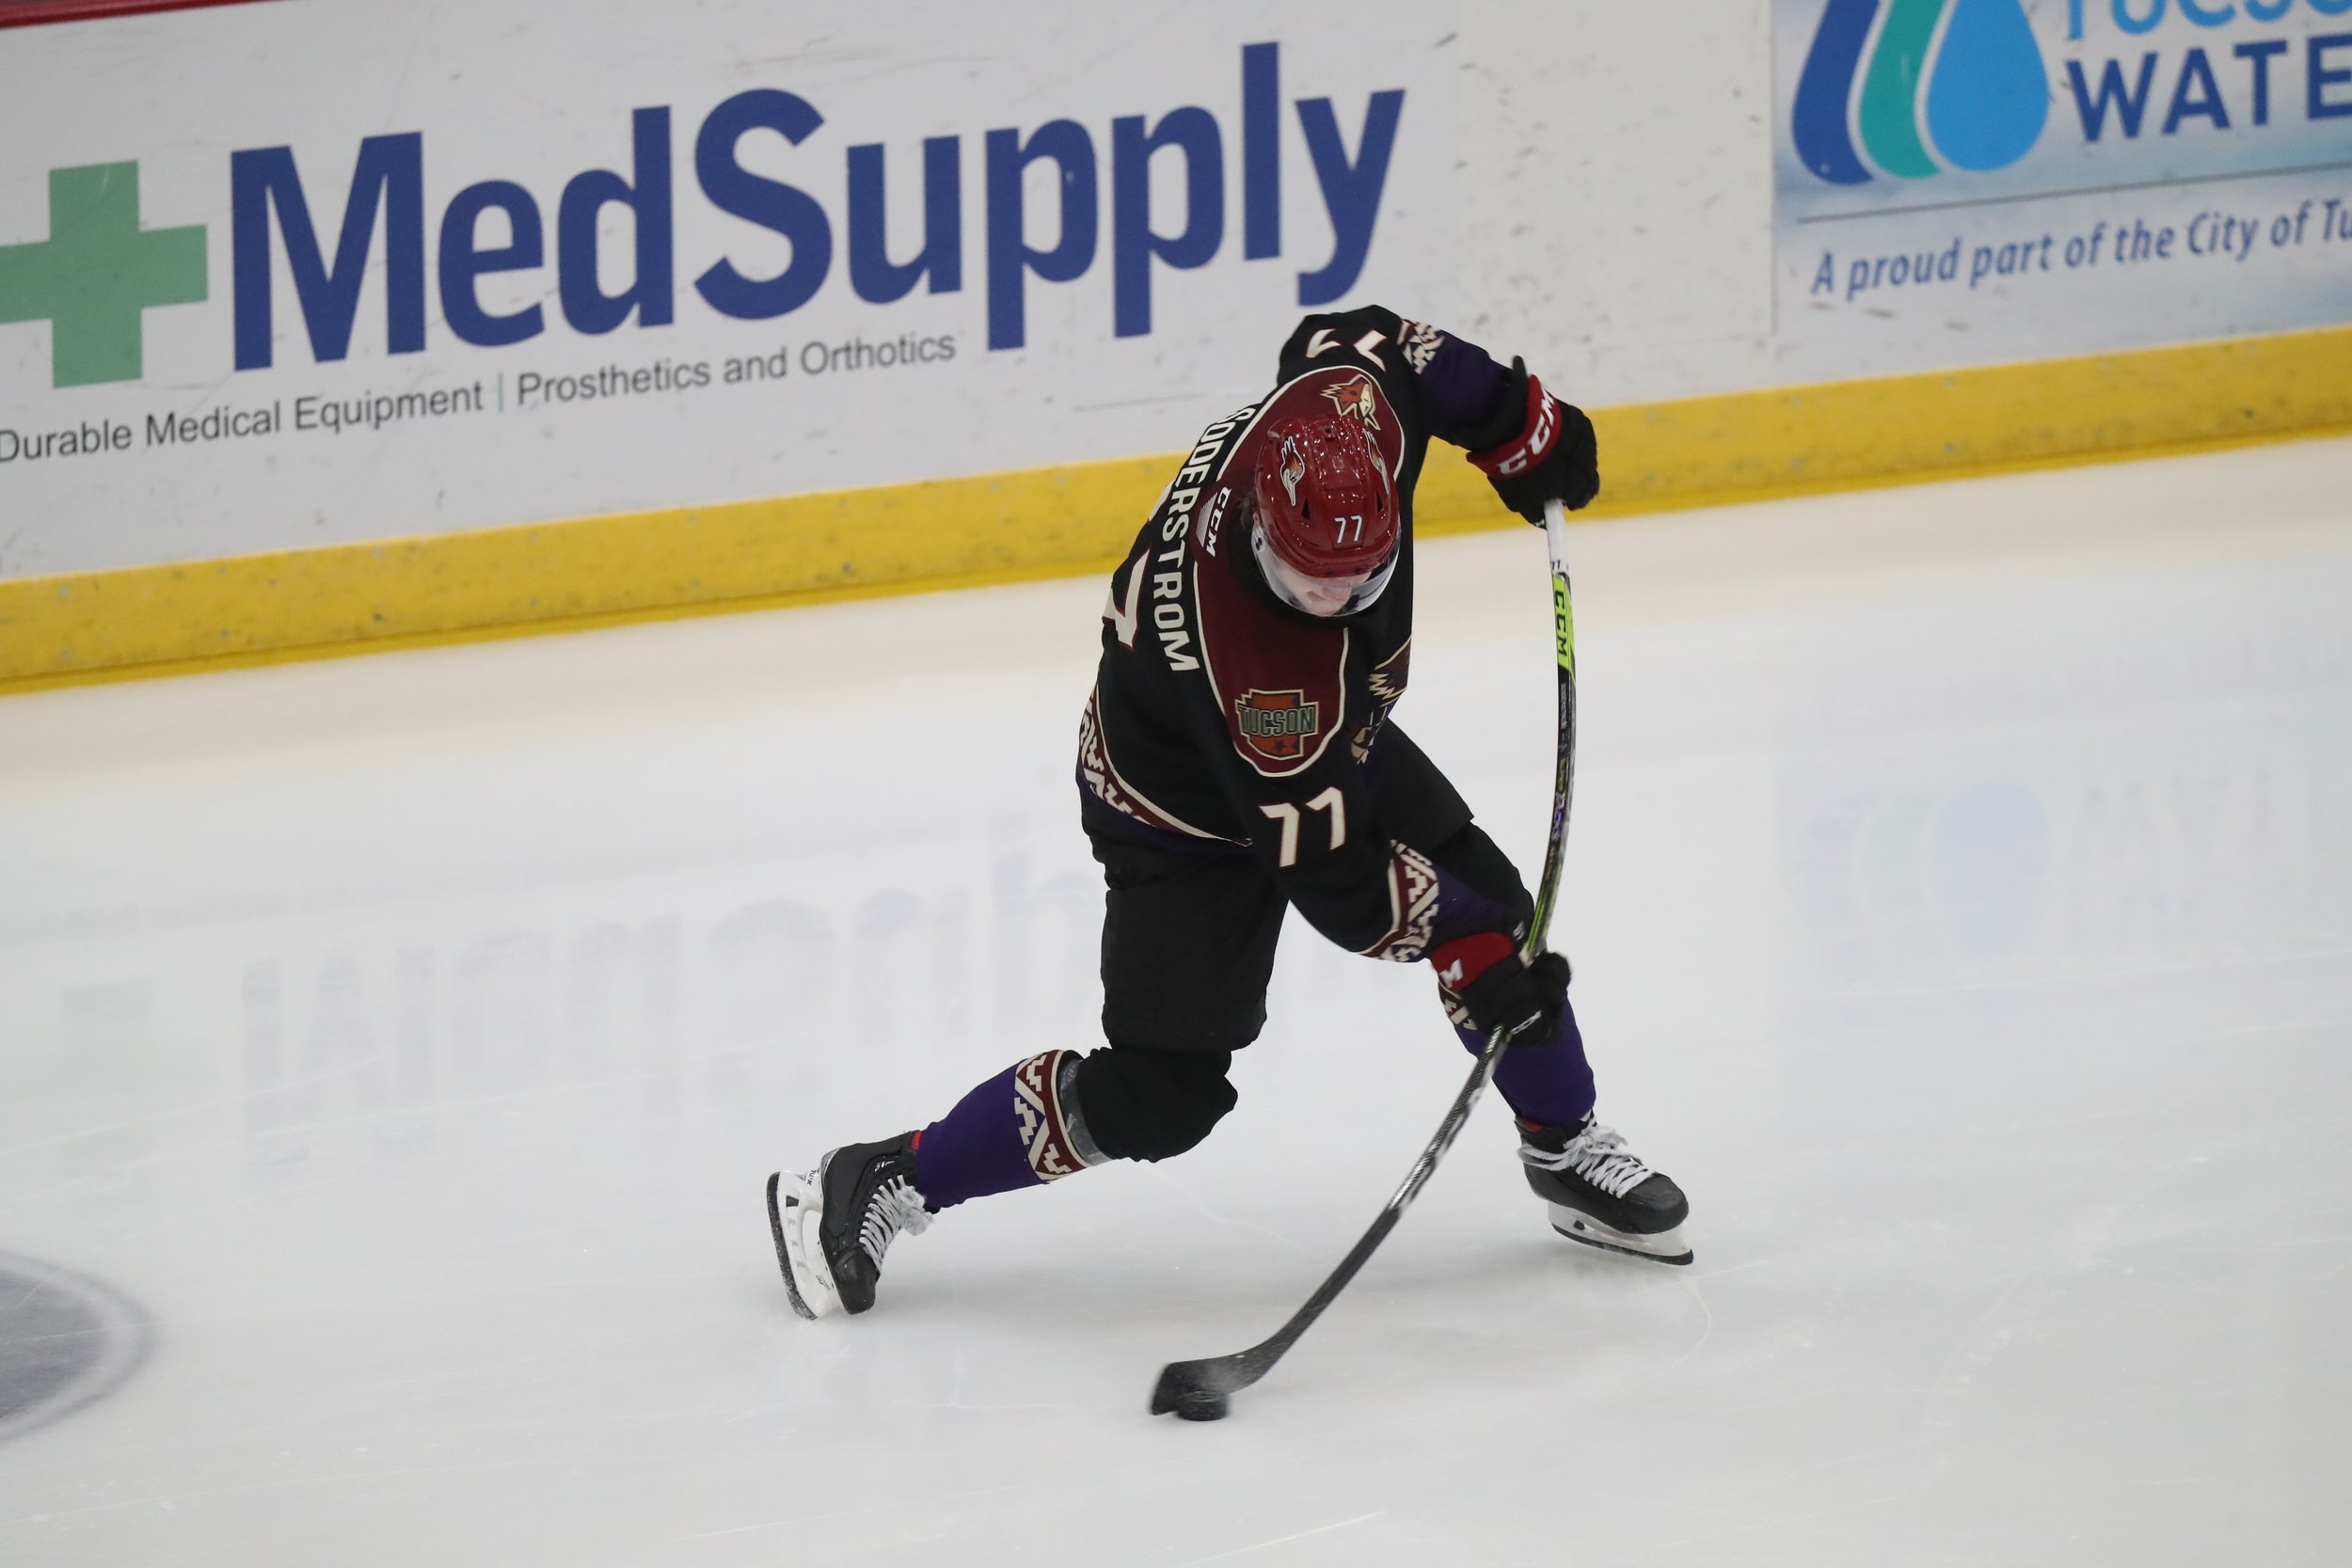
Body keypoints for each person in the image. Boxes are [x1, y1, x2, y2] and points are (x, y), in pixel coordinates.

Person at [767, 307, 1691, 1320]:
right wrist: (1473, 938)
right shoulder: (1262, 679)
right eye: (1307, 580)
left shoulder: (1345, 409)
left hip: (1335, 748)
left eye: (1358, 580)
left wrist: (1524, 425)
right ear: (1258, 524)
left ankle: (1562, 1147)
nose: (1334, 602)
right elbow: (1338, 881)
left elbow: (1368, 336)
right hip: (1179, 815)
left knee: (1498, 918)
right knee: (1163, 1094)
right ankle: (876, 1176)